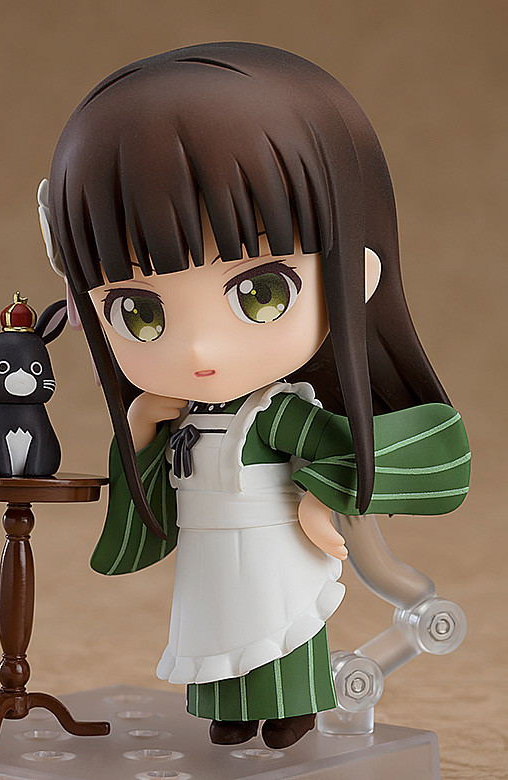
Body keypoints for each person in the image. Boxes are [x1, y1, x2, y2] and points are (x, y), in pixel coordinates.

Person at [38, 42, 471, 748]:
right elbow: (148, 513)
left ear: (356, 274)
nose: (198, 351)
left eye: (260, 293)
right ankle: (230, 715)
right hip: (208, 551)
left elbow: (377, 449)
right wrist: (141, 430)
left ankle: (293, 712)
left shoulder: (278, 413)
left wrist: (326, 494)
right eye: (139, 312)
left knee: (280, 625)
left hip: (274, 548)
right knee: (214, 633)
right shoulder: (180, 418)